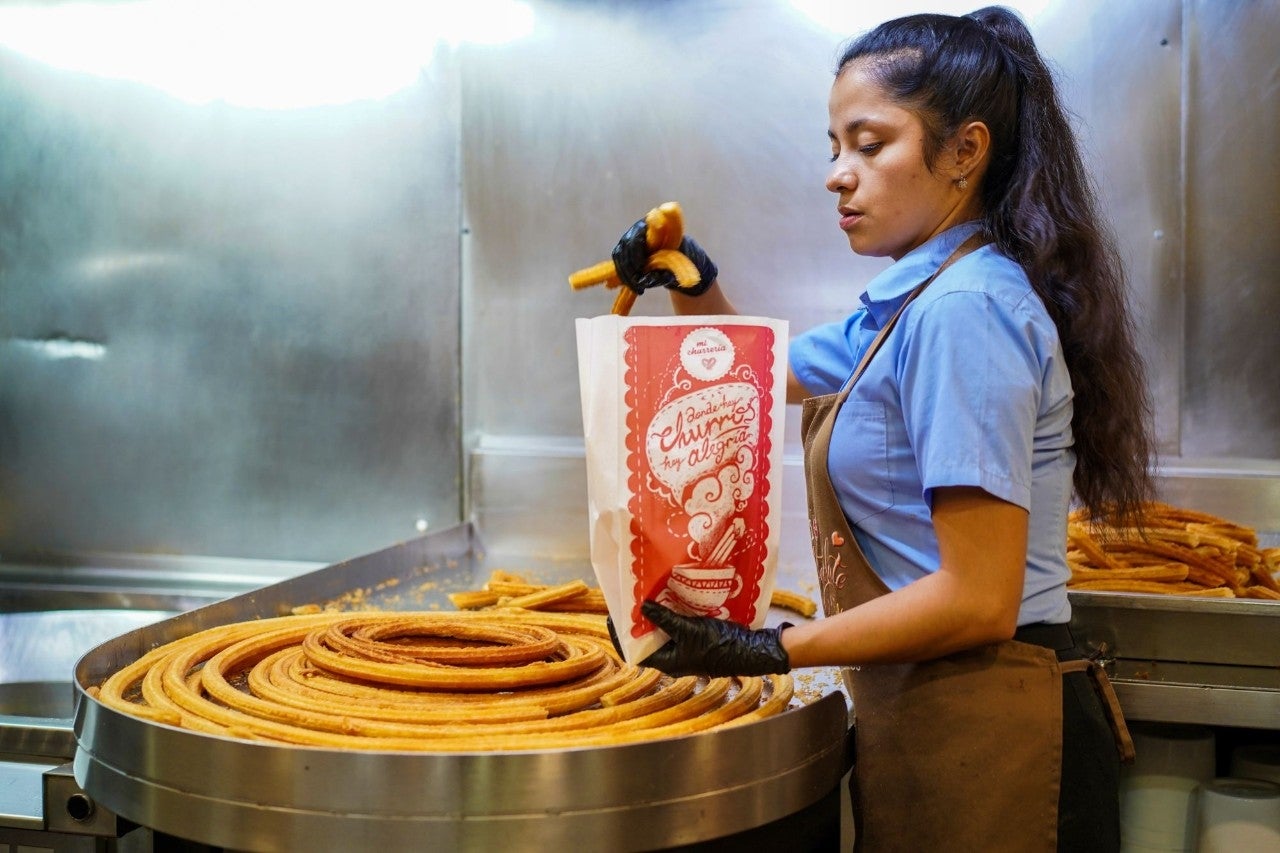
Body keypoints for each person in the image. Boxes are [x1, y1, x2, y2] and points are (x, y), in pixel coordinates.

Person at [600, 6, 1154, 853]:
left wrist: (770, 648)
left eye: (869, 144)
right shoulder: (914, 303)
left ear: (965, 152)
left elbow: (975, 598)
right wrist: (691, 275)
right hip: (938, 707)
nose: (837, 174)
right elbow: (756, 379)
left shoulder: (966, 311)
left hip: (997, 719)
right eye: (833, 146)